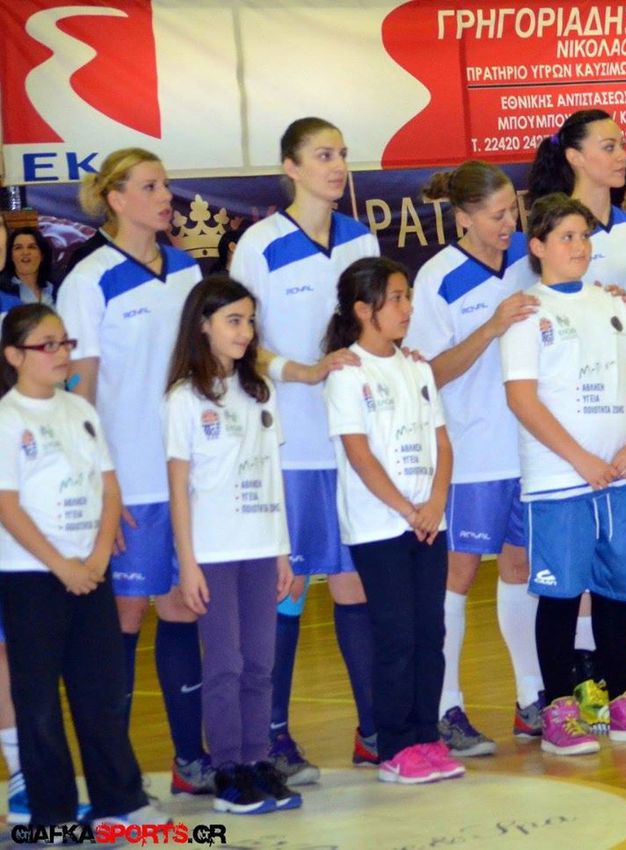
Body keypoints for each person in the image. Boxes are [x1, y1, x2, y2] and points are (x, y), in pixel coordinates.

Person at [501, 194, 626, 755]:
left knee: (617, 592)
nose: (579, 246)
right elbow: (522, 399)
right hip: (560, 482)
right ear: (538, 247)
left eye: (583, 236)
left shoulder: (612, 305)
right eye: (566, 237)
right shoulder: (526, 313)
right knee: (561, 597)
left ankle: (625, 702)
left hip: (621, 478)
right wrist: (580, 458)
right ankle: (558, 709)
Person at [230, 117, 380, 783]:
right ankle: (272, 737)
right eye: (323, 155)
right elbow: (238, 341)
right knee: (287, 588)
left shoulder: (360, 240)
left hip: (354, 443)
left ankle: (375, 730)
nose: (337, 165)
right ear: (289, 167)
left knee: (355, 584)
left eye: (342, 154)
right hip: (290, 445)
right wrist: (303, 371)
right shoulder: (259, 244)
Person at [57, 148, 211, 793]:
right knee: (122, 618)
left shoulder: (188, 270)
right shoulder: (89, 280)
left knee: (183, 609)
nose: (166, 196)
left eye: (166, 185)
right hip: (129, 481)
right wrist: (99, 488)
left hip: (187, 477)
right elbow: (78, 393)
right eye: (151, 187)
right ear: (116, 199)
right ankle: (113, 774)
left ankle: (190, 761)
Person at [0, 304, 163, 827]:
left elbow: (109, 488)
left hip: (92, 572)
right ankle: (52, 815)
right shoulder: (8, 419)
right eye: (47, 345)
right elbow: (7, 505)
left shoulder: (80, 410)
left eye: (65, 342)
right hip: (31, 577)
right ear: (14, 356)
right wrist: (60, 565)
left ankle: (120, 803)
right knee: (39, 702)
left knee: (102, 692)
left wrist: (95, 558)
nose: (61, 353)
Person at [409, 161, 543, 753]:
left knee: (521, 569)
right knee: (457, 576)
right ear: (462, 218)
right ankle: (445, 706)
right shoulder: (437, 279)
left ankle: (531, 697)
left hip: (529, 448)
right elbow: (428, 373)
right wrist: (489, 328)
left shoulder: (528, 264)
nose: (508, 223)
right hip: (471, 452)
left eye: (513, 210)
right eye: (495, 215)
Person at [321, 257, 462, 783]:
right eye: (396, 298)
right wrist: (407, 510)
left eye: (408, 297)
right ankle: (395, 746)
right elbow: (359, 456)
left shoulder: (418, 368)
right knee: (396, 636)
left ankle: (427, 736)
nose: (407, 309)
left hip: (428, 522)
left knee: (430, 632)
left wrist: (435, 503)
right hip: (380, 527)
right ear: (364, 310)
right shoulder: (347, 373)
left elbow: (442, 443)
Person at [164, 276, 302, 813]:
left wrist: (283, 551)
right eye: (233, 321)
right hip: (214, 555)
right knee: (225, 663)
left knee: (260, 663)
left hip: (261, 549)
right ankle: (227, 770)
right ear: (203, 326)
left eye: (249, 321)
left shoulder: (261, 392)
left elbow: (273, 477)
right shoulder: (183, 399)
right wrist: (188, 563)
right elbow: (180, 490)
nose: (245, 332)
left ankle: (256, 759)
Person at [527, 109, 626, 315]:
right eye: (609, 147)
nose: (623, 156)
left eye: (623, 146)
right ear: (575, 157)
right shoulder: (555, 229)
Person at [3, 227, 57, 308]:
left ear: (42, 256)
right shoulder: (2, 289)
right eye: (18, 248)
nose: (25, 252)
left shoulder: (55, 286)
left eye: (32, 247)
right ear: (11, 256)